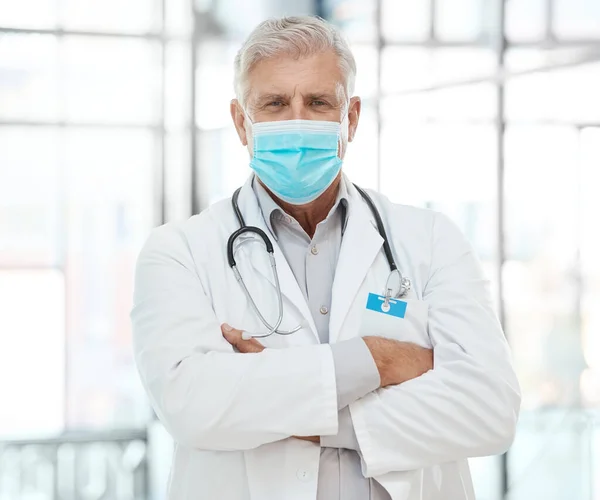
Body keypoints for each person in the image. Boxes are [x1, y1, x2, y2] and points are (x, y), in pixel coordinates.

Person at [131, 15, 521, 500]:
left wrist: (288, 401)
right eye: (274, 104)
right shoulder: (180, 252)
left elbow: (489, 409)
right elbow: (192, 405)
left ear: (350, 117)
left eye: (318, 102)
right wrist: (378, 360)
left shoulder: (430, 240)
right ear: (240, 122)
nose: (297, 120)